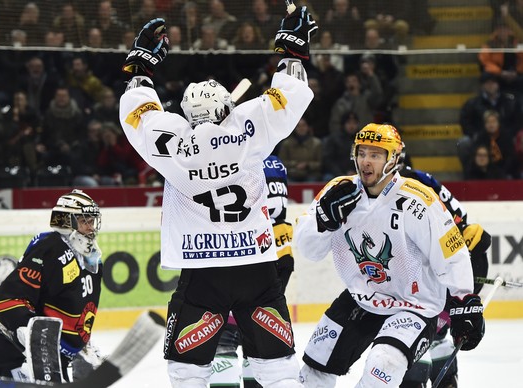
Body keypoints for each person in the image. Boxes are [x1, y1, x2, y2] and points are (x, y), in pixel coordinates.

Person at [118, 8, 317, 386]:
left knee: (187, 372)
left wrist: (140, 68)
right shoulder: (248, 127)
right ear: (227, 109)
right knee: (276, 369)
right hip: (256, 268)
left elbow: (137, 117)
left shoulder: (171, 143)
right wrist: (292, 51)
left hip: (203, 272)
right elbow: (289, 97)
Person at [293, 123, 485, 387]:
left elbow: (451, 252)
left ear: (392, 158)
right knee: (313, 372)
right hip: (362, 298)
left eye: (375, 154)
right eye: (362, 153)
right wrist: (323, 220)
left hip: (415, 304)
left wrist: (465, 300)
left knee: (382, 365)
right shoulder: (337, 191)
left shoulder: (418, 199)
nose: (366, 161)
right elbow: (309, 250)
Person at [0, 189, 104, 382]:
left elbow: (73, 308)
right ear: (67, 222)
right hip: (15, 351)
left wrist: (81, 345)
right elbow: (10, 298)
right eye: (84, 221)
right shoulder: (50, 249)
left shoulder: (92, 260)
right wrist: (28, 330)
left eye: (91, 221)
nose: (90, 228)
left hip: (58, 353)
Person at [397, 163, 491, 388]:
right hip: (408, 283)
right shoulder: (370, 192)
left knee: (434, 333)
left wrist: (465, 305)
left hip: (440, 275)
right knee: (416, 333)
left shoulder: (421, 181)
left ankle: (443, 377)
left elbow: (468, 228)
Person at [210, 154, 295, 388]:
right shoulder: (276, 161)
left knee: (224, 337)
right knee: (257, 338)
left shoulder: (238, 158)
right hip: (280, 252)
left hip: (250, 254)